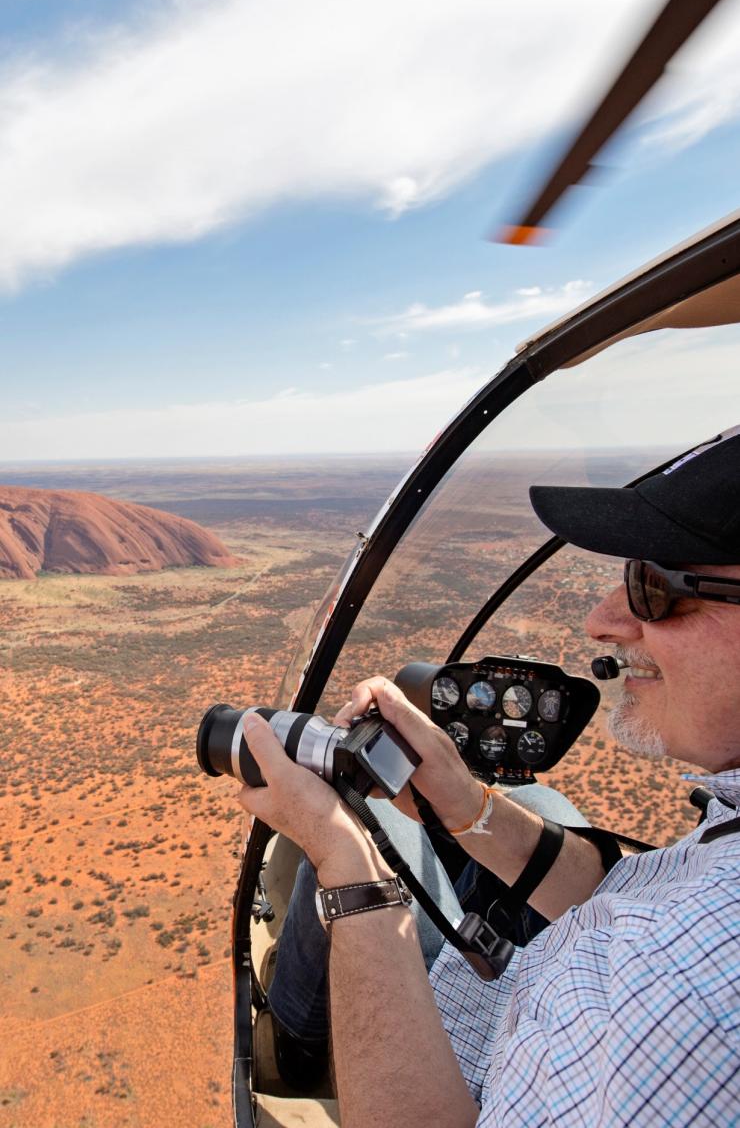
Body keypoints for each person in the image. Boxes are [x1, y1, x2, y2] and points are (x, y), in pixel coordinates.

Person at [238, 425, 740, 1128]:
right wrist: (471, 806)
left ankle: (291, 1044)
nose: (602, 620)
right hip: (523, 991)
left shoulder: (688, 1000)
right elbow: (630, 885)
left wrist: (348, 865)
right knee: (530, 800)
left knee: (371, 823)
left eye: (652, 589)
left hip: (469, 1075)